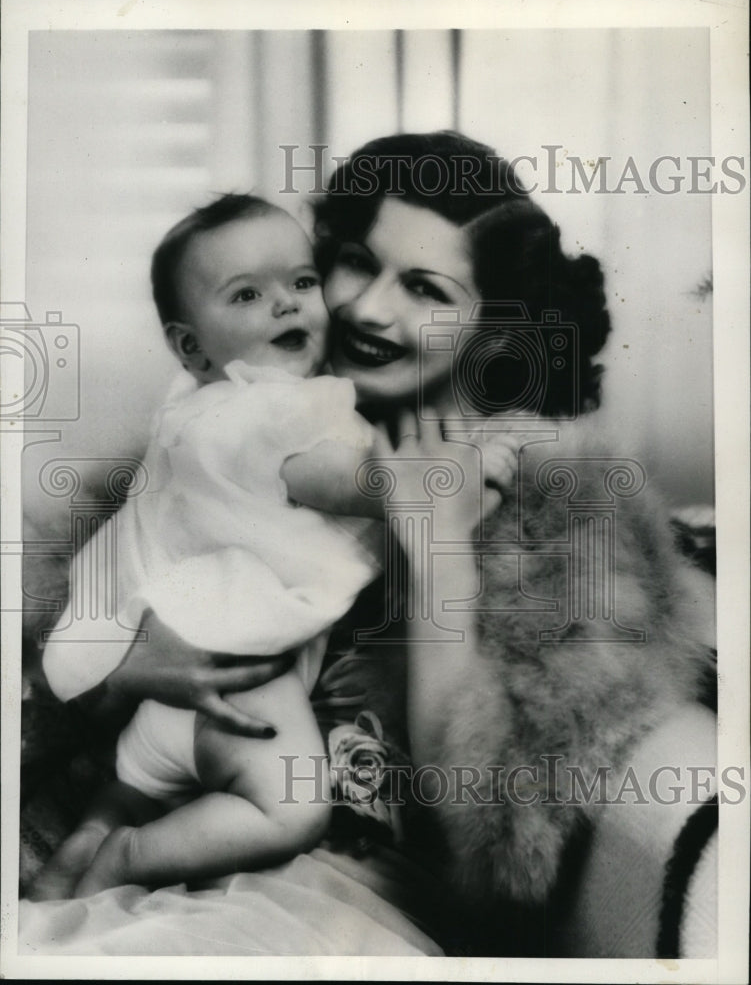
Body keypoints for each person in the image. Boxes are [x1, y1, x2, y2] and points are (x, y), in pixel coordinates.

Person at [23, 132, 715, 956]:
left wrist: (438, 554)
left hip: (341, 900)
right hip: (124, 829)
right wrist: (128, 663)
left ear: (494, 328)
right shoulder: (238, 433)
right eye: (355, 262)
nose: (365, 308)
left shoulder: (557, 516)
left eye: (424, 288)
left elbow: (496, 843)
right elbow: (51, 681)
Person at [34, 193, 396, 898]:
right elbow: (346, 483)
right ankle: (130, 860)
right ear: (192, 347)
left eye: (300, 282)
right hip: (242, 685)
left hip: (158, 705)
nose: (287, 305)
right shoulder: (271, 410)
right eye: (247, 295)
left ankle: (78, 859)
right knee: (289, 809)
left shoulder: (190, 409)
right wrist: (444, 472)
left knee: (122, 803)